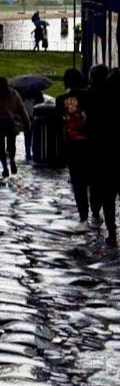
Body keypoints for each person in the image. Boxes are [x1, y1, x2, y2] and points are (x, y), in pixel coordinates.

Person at [84, 65, 118, 249]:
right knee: (110, 195)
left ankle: (109, 230)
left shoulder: (92, 98)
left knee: (105, 195)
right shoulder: (114, 96)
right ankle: (112, 232)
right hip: (113, 152)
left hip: (99, 153)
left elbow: (85, 124)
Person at [58, 69, 92, 227]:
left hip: (72, 146)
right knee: (93, 180)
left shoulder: (61, 100)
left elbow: (60, 122)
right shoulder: (89, 97)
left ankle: (84, 217)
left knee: (78, 182)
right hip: (91, 144)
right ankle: (97, 211)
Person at [0, 76, 30, 181]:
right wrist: (26, 122)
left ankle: (5, 167)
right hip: (10, 122)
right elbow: (21, 108)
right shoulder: (13, 94)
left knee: (0, 146)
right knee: (11, 144)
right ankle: (12, 160)